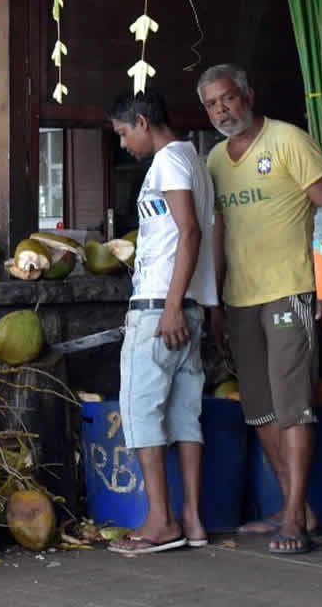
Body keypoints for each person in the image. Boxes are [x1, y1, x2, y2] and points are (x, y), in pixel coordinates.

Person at [202, 63, 322, 555]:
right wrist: (215, 300)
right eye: (212, 104)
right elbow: (217, 231)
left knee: (294, 407)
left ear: (248, 94)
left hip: (290, 290)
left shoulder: (288, 141)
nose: (222, 110)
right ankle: (291, 505)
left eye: (228, 98)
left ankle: (295, 516)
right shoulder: (214, 159)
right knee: (260, 412)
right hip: (240, 299)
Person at [105, 90, 217, 555]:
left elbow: (189, 231)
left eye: (124, 133)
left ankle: (159, 520)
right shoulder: (194, 159)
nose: (124, 144)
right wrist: (199, 304)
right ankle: (190, 516)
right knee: (184, 414)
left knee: (140, 411)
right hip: (187, 307)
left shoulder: (170, 160)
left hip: (161, 308)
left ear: (142, 121)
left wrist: (171, 307)